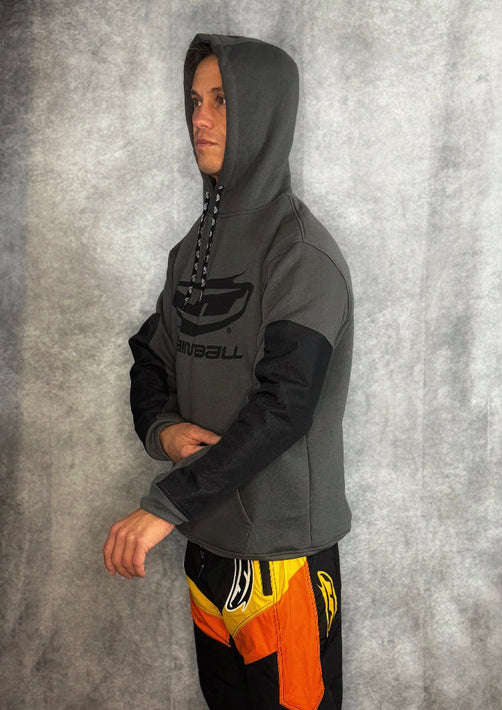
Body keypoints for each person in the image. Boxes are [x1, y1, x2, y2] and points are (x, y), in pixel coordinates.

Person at [103, 33, 353, 710]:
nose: (200, 118)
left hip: (281, 555)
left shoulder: (300, 252)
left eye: (221, 100)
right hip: (208, 542)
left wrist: (164, 505)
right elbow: (149, 354)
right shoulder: (193, 249)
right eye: (194, 101)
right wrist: (162, 430)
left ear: (265, 112)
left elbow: (285, 406)